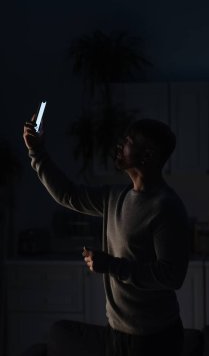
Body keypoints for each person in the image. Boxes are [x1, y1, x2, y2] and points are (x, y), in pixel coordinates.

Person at [23, 116, 189, 356]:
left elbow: (172, 276)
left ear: (148, 155)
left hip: (156, 338)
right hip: (116, 333)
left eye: (129, 141)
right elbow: (69, 195)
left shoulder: (166, 207)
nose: (120, 145)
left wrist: (111, 265)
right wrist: (36, 152)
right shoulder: (115, 198)